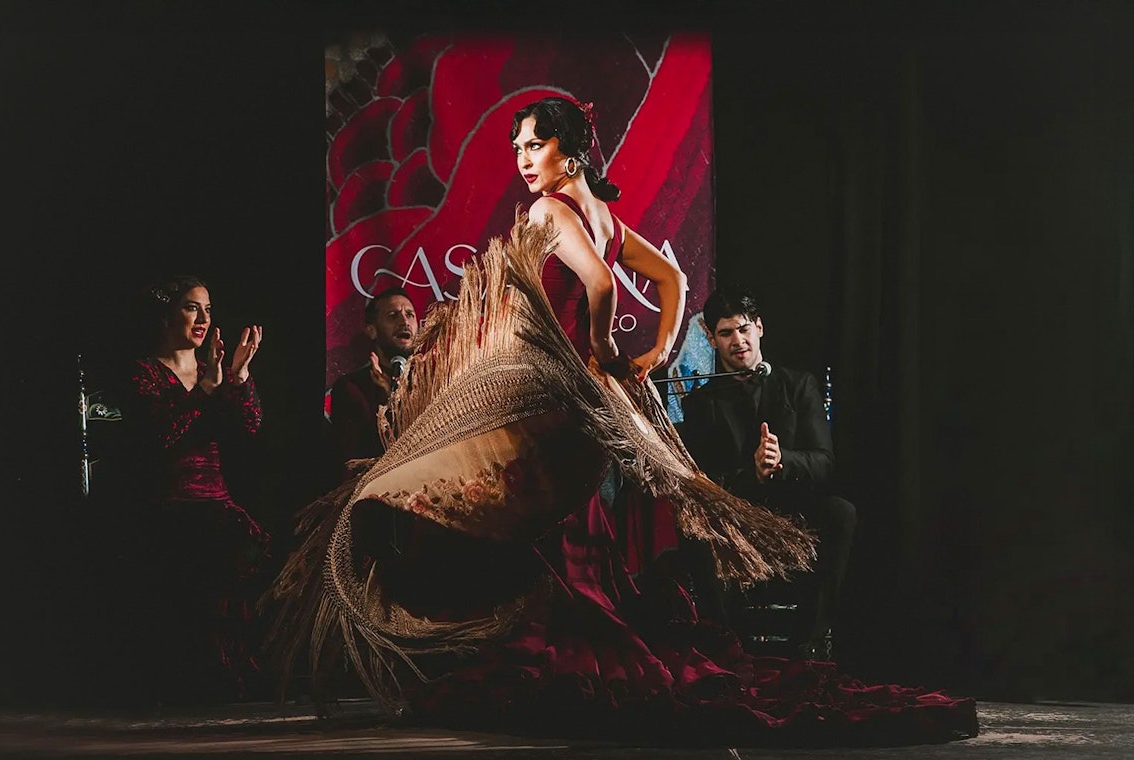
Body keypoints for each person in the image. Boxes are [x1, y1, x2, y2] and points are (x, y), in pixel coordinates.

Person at [265, 97, 976, 747]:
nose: (521, 159)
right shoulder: (600, 216)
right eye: (517, 147)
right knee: (563, 533)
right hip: (583, 407)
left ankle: (520, 652)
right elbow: (672, 282)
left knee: (526, 526)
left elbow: (603, 286)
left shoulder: (550, 214)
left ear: (568, 154)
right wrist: (654, 350)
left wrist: (605, 352)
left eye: (534, 146)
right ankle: (519, 639)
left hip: (562, 401)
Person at [117, 274, 271, 705]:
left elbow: (250, 426)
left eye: (208, 309)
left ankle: (230, 685)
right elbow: (164, 435)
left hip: (215, 502)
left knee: (237, 557)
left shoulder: (213, 369)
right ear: (167, 315)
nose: (203, 318)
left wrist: (238, 378)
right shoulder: (143, 372)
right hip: (168, 505)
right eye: (192, 308)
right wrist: (206, 391)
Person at [681, 288, 855, 661]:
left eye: (743, 329)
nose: (737, 341)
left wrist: (783, 461)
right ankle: (728, 649)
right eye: (725, 333)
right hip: (735, 521)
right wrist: (753, 475)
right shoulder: (699, 403)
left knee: (841, 512)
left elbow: (824, 462)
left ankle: (808, 643)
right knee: (690, 527)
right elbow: (703, 482)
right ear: (711, 338)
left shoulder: (799, 385)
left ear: (759, 328)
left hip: (794, 512)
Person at [327, 286, 418, 468]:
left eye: (410, 314)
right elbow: (353, 459)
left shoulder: (432, 382)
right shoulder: (350, 388)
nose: (404, 321)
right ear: (372, 330)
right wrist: (387, 396)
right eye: (393, 315)